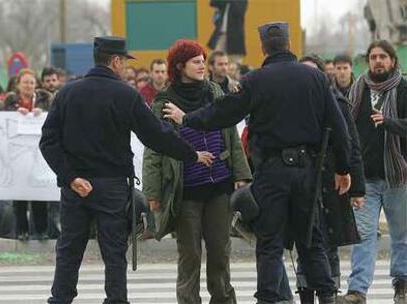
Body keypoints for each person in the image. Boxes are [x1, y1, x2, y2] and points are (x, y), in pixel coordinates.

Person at [163, 22, 352, 304]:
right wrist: (343, 168)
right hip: (307, 170)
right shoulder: (315, 78)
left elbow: (223, 113)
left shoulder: (256, 80)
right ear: (288, 44)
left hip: (272, 172)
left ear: (264, 47)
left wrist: (187, 119)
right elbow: (338, 126)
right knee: (311, 241)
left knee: (270, 243)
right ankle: (326, 296)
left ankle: (267, 299)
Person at [40, 36, 213, 304]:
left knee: (69, 250)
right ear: (116, 61)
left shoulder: (68, 93)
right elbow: (156, 135)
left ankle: (60, 299)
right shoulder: (125, 94)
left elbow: (48, 142)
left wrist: (71, 177)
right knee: (114, 252)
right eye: (124, 62)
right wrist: (190, 154)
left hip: (75, 187)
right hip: (112, 186)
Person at [143, 39, 251, 304]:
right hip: (186, 189)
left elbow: (231, 137)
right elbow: (154, 148)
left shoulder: (214, 91)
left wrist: (240, 173)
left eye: (203, 60)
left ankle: (224, 299)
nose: (203, 64)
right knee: (190, 253)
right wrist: (153, 192)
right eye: (196, 61)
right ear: (180, 66)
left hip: (219, 187)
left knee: (220, 252)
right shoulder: (165, 101)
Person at [341, 40, 407, 304]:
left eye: (383, 56)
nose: (378, 61)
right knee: (364, 235)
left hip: (398, 177)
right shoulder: (358, 89)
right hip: (365, 179)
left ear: (392, 60)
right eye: (373, 57)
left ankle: (402, 285)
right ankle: (357, 290)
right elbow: (346, 129)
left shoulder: (403, 88)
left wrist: (389, 122)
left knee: (401, 235)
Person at [296, 55, 366, 304]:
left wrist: (357, 188)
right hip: (300, 182)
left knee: (329, 242)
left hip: (332, 182)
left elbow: (351, 146)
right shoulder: (290, 105)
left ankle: (330, 293)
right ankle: (305, 292)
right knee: (304, 240)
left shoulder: (337, 102)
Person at [4, 69, 52, 241]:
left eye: (31, 82)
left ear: (36, 84)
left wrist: (40, 110)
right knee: (20, 195)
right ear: (18, 84)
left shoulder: (44, 97)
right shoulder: (11, 98)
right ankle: (22, 231)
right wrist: (17, 110)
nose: (28, 86)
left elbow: (51, 110)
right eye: (25, 82)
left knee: (39, 193)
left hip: (38, 153)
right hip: (16, 153)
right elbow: (2, 113)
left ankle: (41, 231)